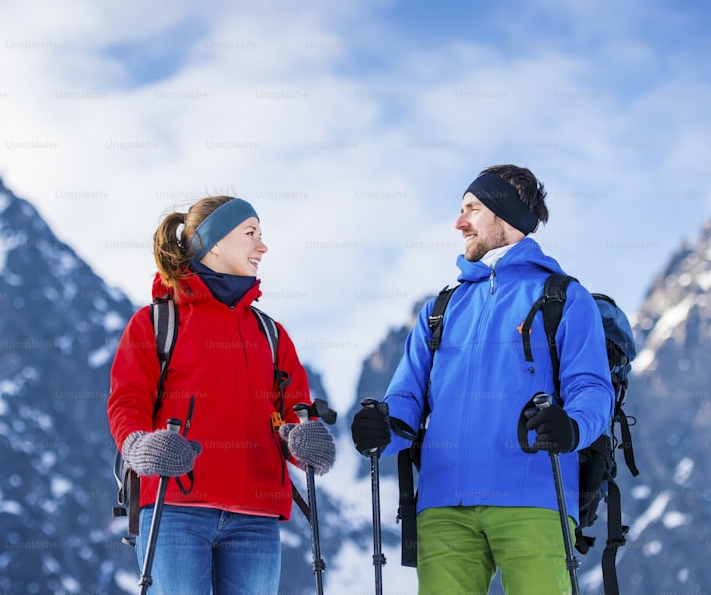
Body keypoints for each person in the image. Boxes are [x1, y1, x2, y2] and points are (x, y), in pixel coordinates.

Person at [351, 165, 614, 594]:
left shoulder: (563, 298)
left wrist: (572, 426)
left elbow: (592, 388)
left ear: (504, 213)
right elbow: (406, 397)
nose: (459, 222)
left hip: (534, 497)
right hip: (443, 505)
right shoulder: (440, 308)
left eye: (471, 208)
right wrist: (383, 427)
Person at [108, 195, 336, 595]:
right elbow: (128, 401)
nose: (262, 247)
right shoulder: (157, 321)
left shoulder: (272, 334)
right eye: (251, 234)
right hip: (174, 508)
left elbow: (292, 411)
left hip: (256, 518)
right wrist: (138, 446)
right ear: (213, 243)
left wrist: (304, 439)